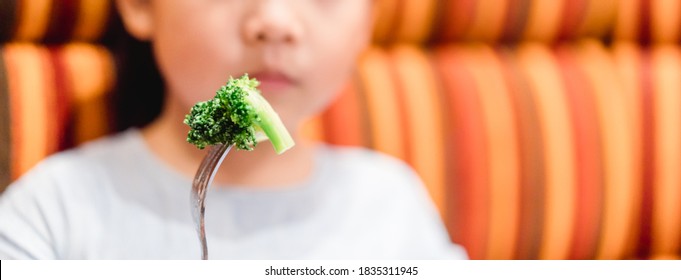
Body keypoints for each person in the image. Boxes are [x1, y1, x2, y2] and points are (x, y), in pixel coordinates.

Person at [0, 0, 467, 259]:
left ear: (368, 20)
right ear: (141, 5)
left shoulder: (390, 203)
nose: (277, 22)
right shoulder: (53, 213)